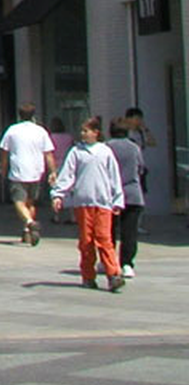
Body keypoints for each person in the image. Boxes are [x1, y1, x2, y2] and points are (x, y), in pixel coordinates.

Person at [52, 116, 126, 291]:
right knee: (86, 241)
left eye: (86, 131)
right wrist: (58, 194)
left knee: (104, 239)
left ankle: (113, 274)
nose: (83, 134)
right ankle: (88, 275)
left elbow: (114, 177)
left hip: (102, 202)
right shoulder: (77, 152)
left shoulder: (105, 151)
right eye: (82, 131)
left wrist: (117, 199)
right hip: (83, 202)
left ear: (96, 132)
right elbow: (67, 175)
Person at [0, 103, 56, 246]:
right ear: (33, 115)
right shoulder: (41, 131)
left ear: (19, 115)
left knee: (18, 201)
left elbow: (4, 152)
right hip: (36, 171)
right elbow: (48, 153)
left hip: (18, 171)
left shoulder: (12, 131)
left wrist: (3, 169)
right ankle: (27, 231)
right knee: (30, 202)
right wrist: (53, 171)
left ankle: (30, 223)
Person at [106, 118, 145, 279]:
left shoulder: (106, 148)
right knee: (130, 233)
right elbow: (141, 168)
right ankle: (127, 263)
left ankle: (109, 261)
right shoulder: (134, 148)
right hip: (133, 194)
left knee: (109, 232)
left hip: (111, 195)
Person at [47, 117, 75, 223]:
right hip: (67, 166)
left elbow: (49, 153)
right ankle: (73, 216)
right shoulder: (69, 137)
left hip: (55, 166)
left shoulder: (51, 138)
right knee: (70, 191)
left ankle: (56, 216)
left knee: (55, 191)